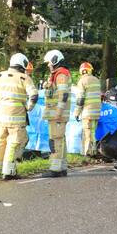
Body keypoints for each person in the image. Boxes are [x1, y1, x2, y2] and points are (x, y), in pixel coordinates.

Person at [0, 53, 38, 178]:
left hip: (1, 116)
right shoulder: (24, 78)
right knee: (14, 143)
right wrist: (29, 107)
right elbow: (34, 95)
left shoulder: (0, 75)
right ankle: (9, 171)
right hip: (17, 118)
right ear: (23, 64)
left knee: (0, 142)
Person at [41, 49, 72, 177]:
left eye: (49, 62)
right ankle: (62, 167)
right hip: (56, 113)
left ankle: (55, 169)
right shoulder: (57, 75)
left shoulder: (61, 75)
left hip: (57, 114)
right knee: (60, 139)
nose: (48, 65)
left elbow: (63, 94)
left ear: (54, 60)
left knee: (55, 140)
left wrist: (58, 111)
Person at [74, 62, 102, 157]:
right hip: (97, 112)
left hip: (87, 112)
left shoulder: (82, 81)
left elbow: (80, 99)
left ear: (81, 71)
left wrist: (77, 112)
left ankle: (87, 153)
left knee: (87, 133)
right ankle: (94, 151)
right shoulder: (96, 80)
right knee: (93, 132)